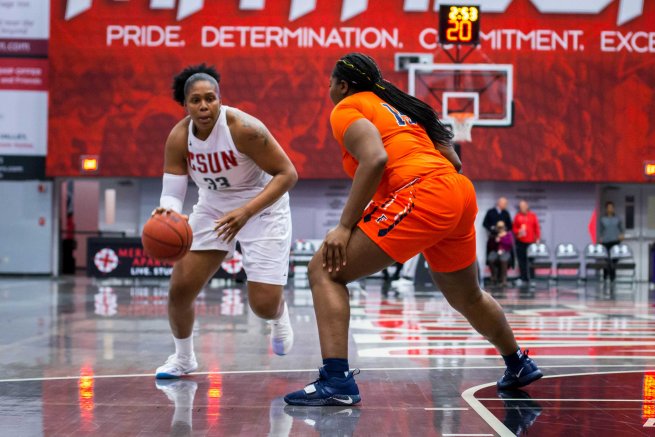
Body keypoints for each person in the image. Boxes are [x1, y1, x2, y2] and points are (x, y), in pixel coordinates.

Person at [283, 53, 541, 406]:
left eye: (330, 83)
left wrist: (345, 226)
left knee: (324, 271)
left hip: (423, 192)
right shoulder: (405, 109)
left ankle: (336, 380)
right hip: (457, 191)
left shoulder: (347, 107)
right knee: (467, 296)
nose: (330, 89)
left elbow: (375, 159)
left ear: (342, 85)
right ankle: (518, 364)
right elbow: (454, 161)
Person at [153, 64, 298, 378]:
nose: (205, 106)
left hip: (262, 206)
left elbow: (288, 174)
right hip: (213, 209)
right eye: (196, 100)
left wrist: (246, 212)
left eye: (211, 98)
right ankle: (183, 359)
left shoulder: (244, 128)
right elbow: (173, 193)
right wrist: (167, 211)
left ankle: (278, 315)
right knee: (180, 289)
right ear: (185, 104)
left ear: (219, 100)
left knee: (262, 304)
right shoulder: (179, 137)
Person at [512, 200, 540, 283]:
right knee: (522, 261)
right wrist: (518, 232)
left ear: (527, 206)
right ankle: (523, 278)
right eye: (521, 207)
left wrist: (537, 238)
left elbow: (536, 228)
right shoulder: (517, 216)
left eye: (523, 206)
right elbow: (514, 228)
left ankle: (532, 278)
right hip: (520, 242)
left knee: (531, 261)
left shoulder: (532, 216)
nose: (522, 208)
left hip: (530, 242)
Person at [599, 201, 624, 282]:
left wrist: (621, 235)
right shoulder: (602, 219)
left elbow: (622, 229)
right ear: (606, 209)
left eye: (612, 207)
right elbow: (600, 230)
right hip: (606, 242)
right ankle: (606, 275)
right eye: (609, 207)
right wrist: (600, 238)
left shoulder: (617, 219)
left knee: (614, 260)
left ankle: (613, 276)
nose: (610, 209)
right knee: (607, 260)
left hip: (615, 241)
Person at [486, 221, 514, 286]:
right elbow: (490, 246)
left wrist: (501, 239)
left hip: (505, 251)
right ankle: (494, 277)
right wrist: (494, 240)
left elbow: (509, 244)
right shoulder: (494, 234)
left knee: (503, 260)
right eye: (498, 227)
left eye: (501, 227)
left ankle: (503, 279)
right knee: (490, 258)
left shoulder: (508, 234)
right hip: (496, 251)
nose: (500, 228)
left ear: (504, 227)